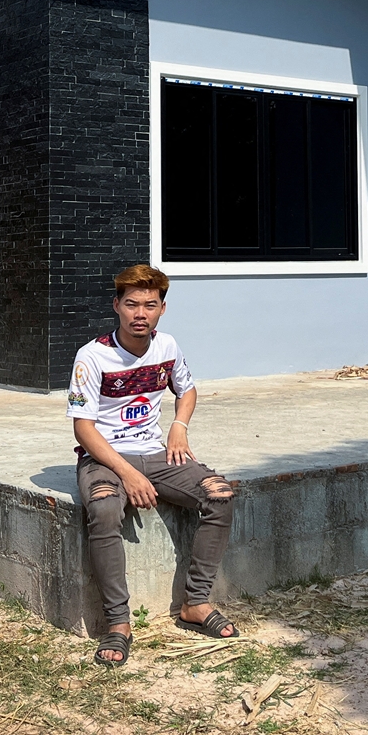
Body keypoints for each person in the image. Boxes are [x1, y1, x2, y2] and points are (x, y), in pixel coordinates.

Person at [68, 263, 237, 667]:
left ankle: (195, 603)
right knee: (106, 507)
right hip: (105, 458)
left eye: (149, 305)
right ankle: (118, 624)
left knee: (220, 495)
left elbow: (188, 388)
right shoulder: (93, 356)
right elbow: (83, 430)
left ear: (162, 308)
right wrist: (128, 474)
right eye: (131, 305)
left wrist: (179, 427)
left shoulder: (168, 346)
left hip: (158, 454)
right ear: (117, 306)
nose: (139, 314)